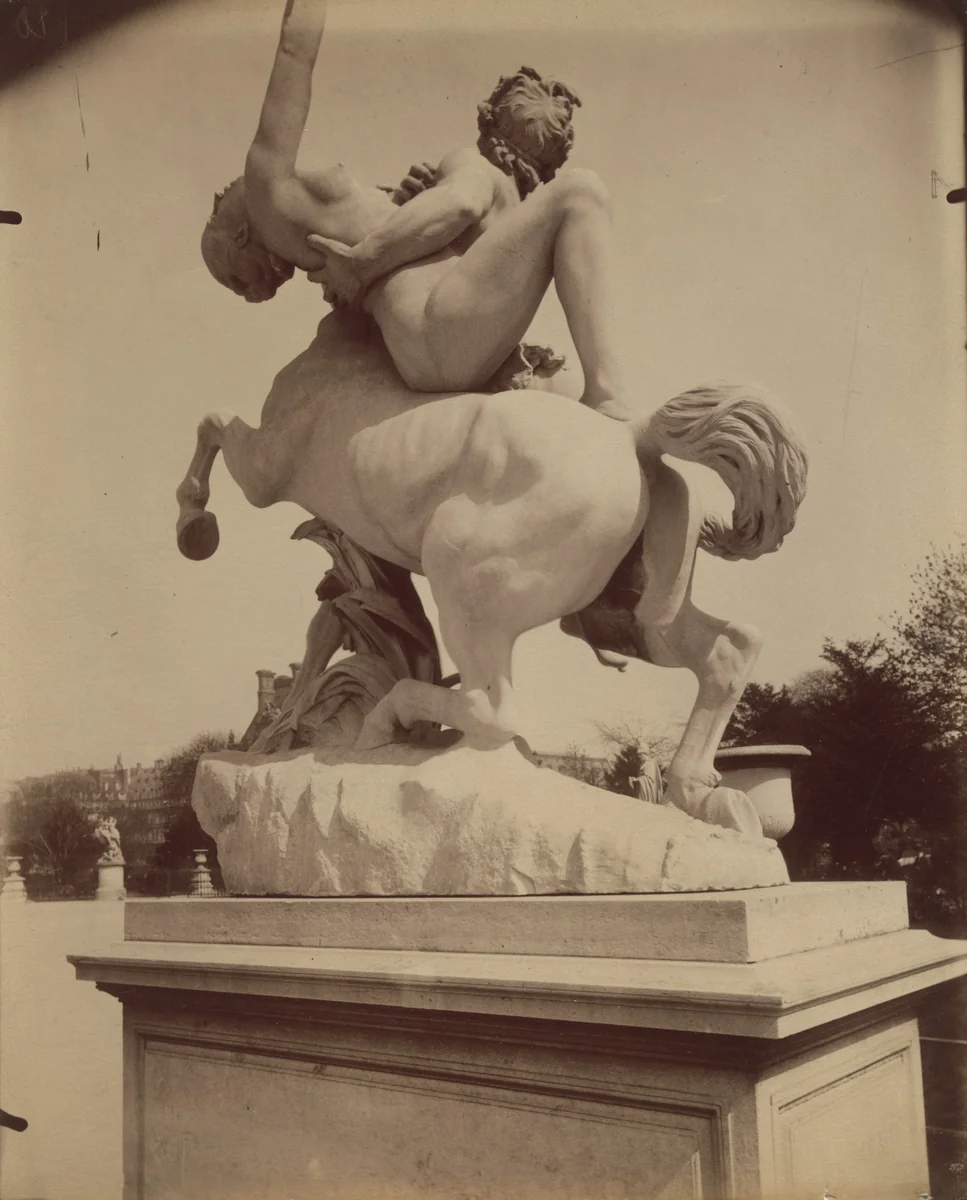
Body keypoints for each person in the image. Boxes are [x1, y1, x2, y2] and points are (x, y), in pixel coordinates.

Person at [201, 0, 626, 415]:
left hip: (441, 333)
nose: (253, 295)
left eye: (236, 280)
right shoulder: (275, 197)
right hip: (436, 330)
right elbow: (294, 52)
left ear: (236, 236)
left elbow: (295, 49)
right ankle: (606, 391)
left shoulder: (283, 200)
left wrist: (407, 205)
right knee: (581, 192)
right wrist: (362, 264)